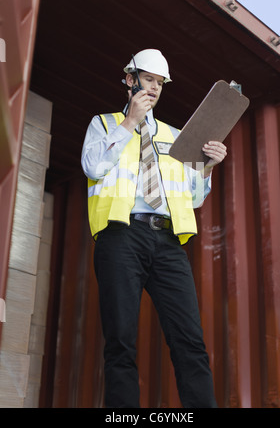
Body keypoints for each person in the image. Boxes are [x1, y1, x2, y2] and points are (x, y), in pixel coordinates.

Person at [81, 49, 227, 408]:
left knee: (189, 339)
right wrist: (129, 123)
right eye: (148, 79)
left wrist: (207, 168)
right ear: (130, 80)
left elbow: (192, 198)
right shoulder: (104, 124)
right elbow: (93, 166)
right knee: (120, 340)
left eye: (160, 83)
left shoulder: (175, 136)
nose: (155, 88)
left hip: (167, 242)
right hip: (120, 236)